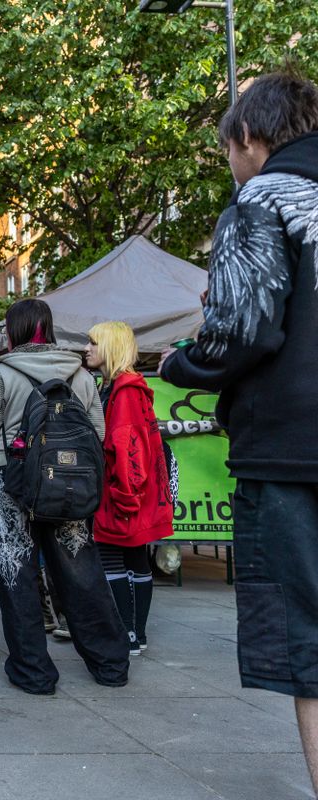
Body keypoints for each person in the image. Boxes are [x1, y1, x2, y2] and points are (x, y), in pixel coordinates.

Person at [159, 70, 318, 794]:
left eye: (227, 151)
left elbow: (244, 332)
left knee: (309, 644)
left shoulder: (261, 199)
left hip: (295, 451)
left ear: (248, 138)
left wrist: (184, 362)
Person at [0, 298, 128, 695]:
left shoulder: (3, 372)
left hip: (13, 482)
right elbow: (100, 434)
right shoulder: (80, 372)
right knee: (80, 570)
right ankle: (110, 665)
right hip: (69, 484)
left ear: (15, 329)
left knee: (17, 572)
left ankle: (33, 671)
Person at [85, 321, 172, 656]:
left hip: (122, 493)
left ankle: (128, 634)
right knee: (135, 558)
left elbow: (128, 449)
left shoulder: (124, 391)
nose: (87, 349)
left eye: (93, 343)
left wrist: (124, 496)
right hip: (130, 492)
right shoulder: (123, 387)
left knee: (113, 558)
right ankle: (136, 634)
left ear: (110, 347)